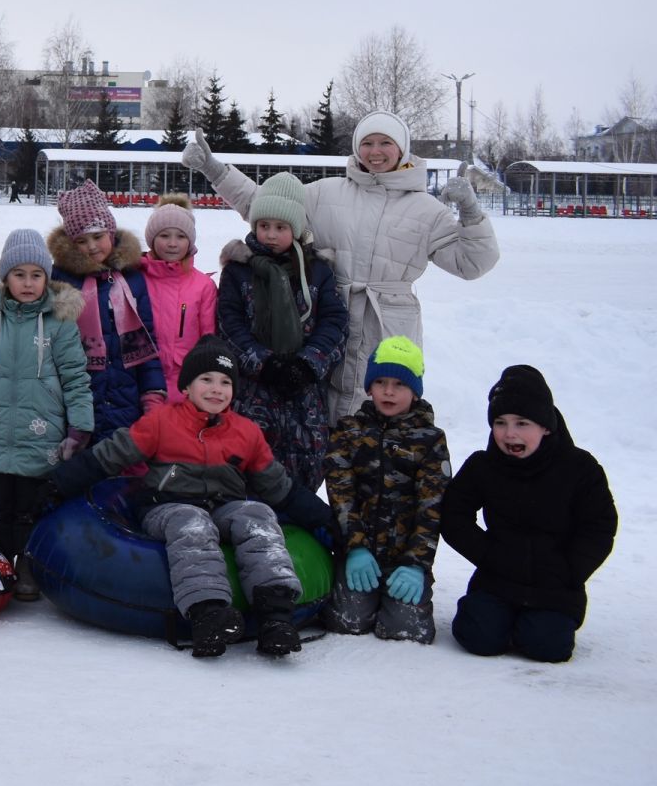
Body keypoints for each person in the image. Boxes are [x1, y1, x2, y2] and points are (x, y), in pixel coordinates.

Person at [183, 111, 499, 416]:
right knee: (325, 418)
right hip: (331, 324)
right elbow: (264, 204)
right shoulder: (327, 193)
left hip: (388, 326)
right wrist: (214, 169)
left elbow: (471, 264)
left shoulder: (426, 210)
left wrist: (470, 212)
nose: (375, 152)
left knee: (382, 421)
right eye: (367, 143)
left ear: (402, 148)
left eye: (385, 143)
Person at [53, 337, 336, 658]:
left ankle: (275, 614)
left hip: (224, 506)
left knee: (257, 515)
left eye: (225, 382)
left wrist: (325, 521)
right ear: (186, 386)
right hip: (167, 505)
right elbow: (111, 455)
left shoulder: (245, 432)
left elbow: (279, 487)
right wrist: (57, 485)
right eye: (207, 379)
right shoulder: (162, 421)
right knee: (193, 522)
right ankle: (208, 612)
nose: (216, 389)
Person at [0, 228, 92, 599]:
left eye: (36, 275)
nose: (28, 283)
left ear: (47, 277)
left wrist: (80, 427)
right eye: (19, 275)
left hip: (39, 435)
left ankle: (26, 562)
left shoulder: (60, 323)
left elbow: (76, 378)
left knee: (29, 507)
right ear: (5, 277)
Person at [442, 365, 617, 664]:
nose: (510, 433)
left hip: (555, 585)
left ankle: (532, 625)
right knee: (477, 636)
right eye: (500, 422)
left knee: (546, 646)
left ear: (545, 426)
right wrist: (487, 554)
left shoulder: (580, 468)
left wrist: (571, 569)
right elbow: (452, 513)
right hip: (498, 578)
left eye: (522, 423)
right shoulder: (483, 466)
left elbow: (599, 525)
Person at [213, 173, 349, 491]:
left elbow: (335, 321)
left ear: (296, 229)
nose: (271, 235)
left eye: (281, 227)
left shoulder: (317, 271)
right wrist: (263, 363)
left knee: (303, 468)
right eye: (264, 226)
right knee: (249, 465)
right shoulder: (239, 270)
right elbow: (228, 322)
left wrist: (307, 364)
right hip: (252, 389)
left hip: (304, 391)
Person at [321, 337, 450, 644]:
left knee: (404, 630)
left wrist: (416, 564)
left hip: (403, 559)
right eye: (380, 381)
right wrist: (355, 548)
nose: (388, 391)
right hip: (359, 554)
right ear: (369, 387)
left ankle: (404, 590)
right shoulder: (350, 431)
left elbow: (432, 509)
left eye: (399, 384)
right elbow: (341, 496)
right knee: (346, 622)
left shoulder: (430, 440)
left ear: (415, 391)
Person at [47, 181, 165, 447]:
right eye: (81, 240)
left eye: (98, 236)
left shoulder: (131, 279)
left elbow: (146, 339)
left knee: (122, 473)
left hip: (127, 398)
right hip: (77, 403)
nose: (91, 247)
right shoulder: (60, 281)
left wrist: (152, 392)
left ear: (111, 233)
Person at [138, 195, 217, 393]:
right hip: (143, 380)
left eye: (181, 236)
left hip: (185, 382)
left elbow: (208, 338)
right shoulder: (137, 278)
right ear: (152, 239)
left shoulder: (203, 285)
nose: (172, 243)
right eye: (164, 236)